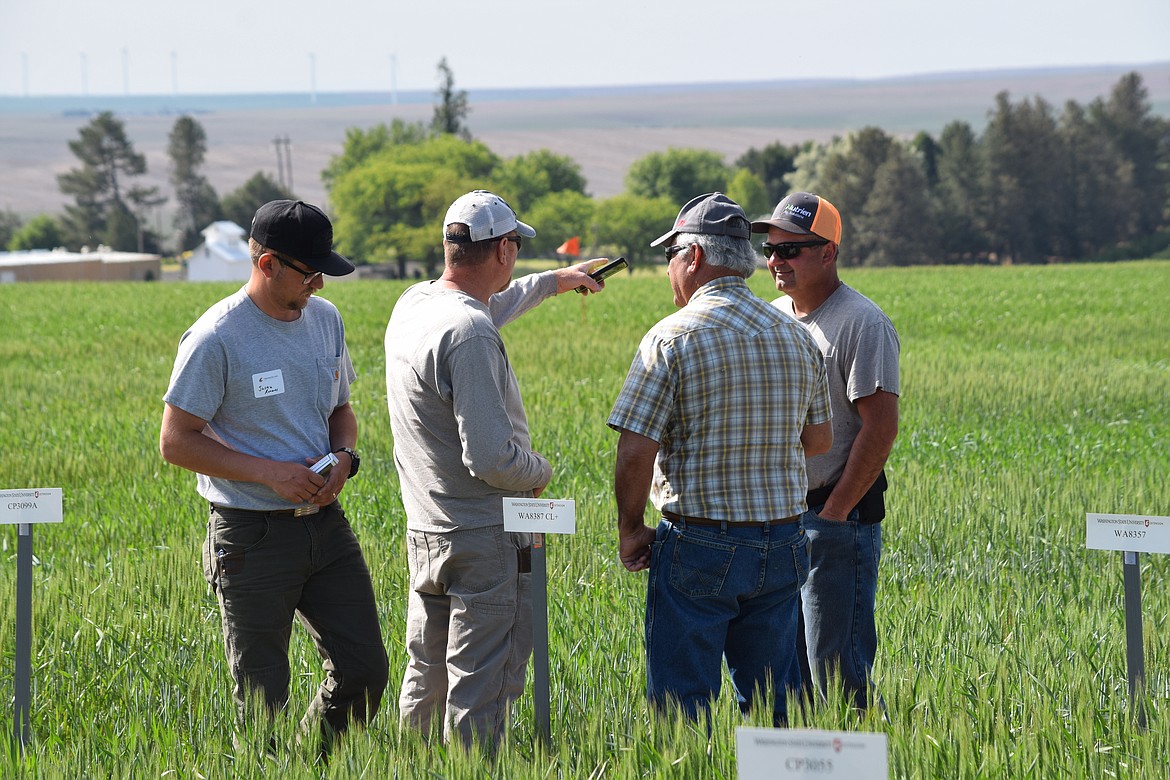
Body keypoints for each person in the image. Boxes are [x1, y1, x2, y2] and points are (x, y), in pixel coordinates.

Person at [160, 200, 388, 757]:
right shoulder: (216, 337)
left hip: (326, 527)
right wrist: (271, 475)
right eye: (310, 274)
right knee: (263, 701)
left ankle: (308, 764)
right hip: (250, 537)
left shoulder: (325, 320)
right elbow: (176, 441)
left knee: (365, 671)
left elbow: (342, 410)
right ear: (266, 265)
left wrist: (343, 455)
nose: (319, 286)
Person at [385, 189, 608, 749]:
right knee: (480, 689)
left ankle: (412, 765)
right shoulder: (471, 333)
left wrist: (557, 280)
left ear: (449, 246)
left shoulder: (416, 304)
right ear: (505, 249)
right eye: (515, 246)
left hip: (427, 530)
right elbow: (489, 458)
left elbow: (484, 309)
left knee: (426, 678)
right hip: (483, 538)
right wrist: (542, 470)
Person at [608, 192, 833, 727]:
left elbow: (636, 449)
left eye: (670, 256)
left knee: (684, 707)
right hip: (782, 540)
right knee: (777, 705)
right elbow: (819, 441)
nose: (669, 270)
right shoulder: (796, 336)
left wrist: (630, 528)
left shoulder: (671, 337)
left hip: (699, 542)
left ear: (694, 258)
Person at [752, 191, 900, 712]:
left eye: (791, 250)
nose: (775, 261)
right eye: (769, 249)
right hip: (779, 518)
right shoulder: (772, 318)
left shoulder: (862, 322)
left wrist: (833, 515)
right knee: (785, 670)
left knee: (836, 671)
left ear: (828, 253)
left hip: (838, 520)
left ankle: (870, 757)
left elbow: (880, 428)